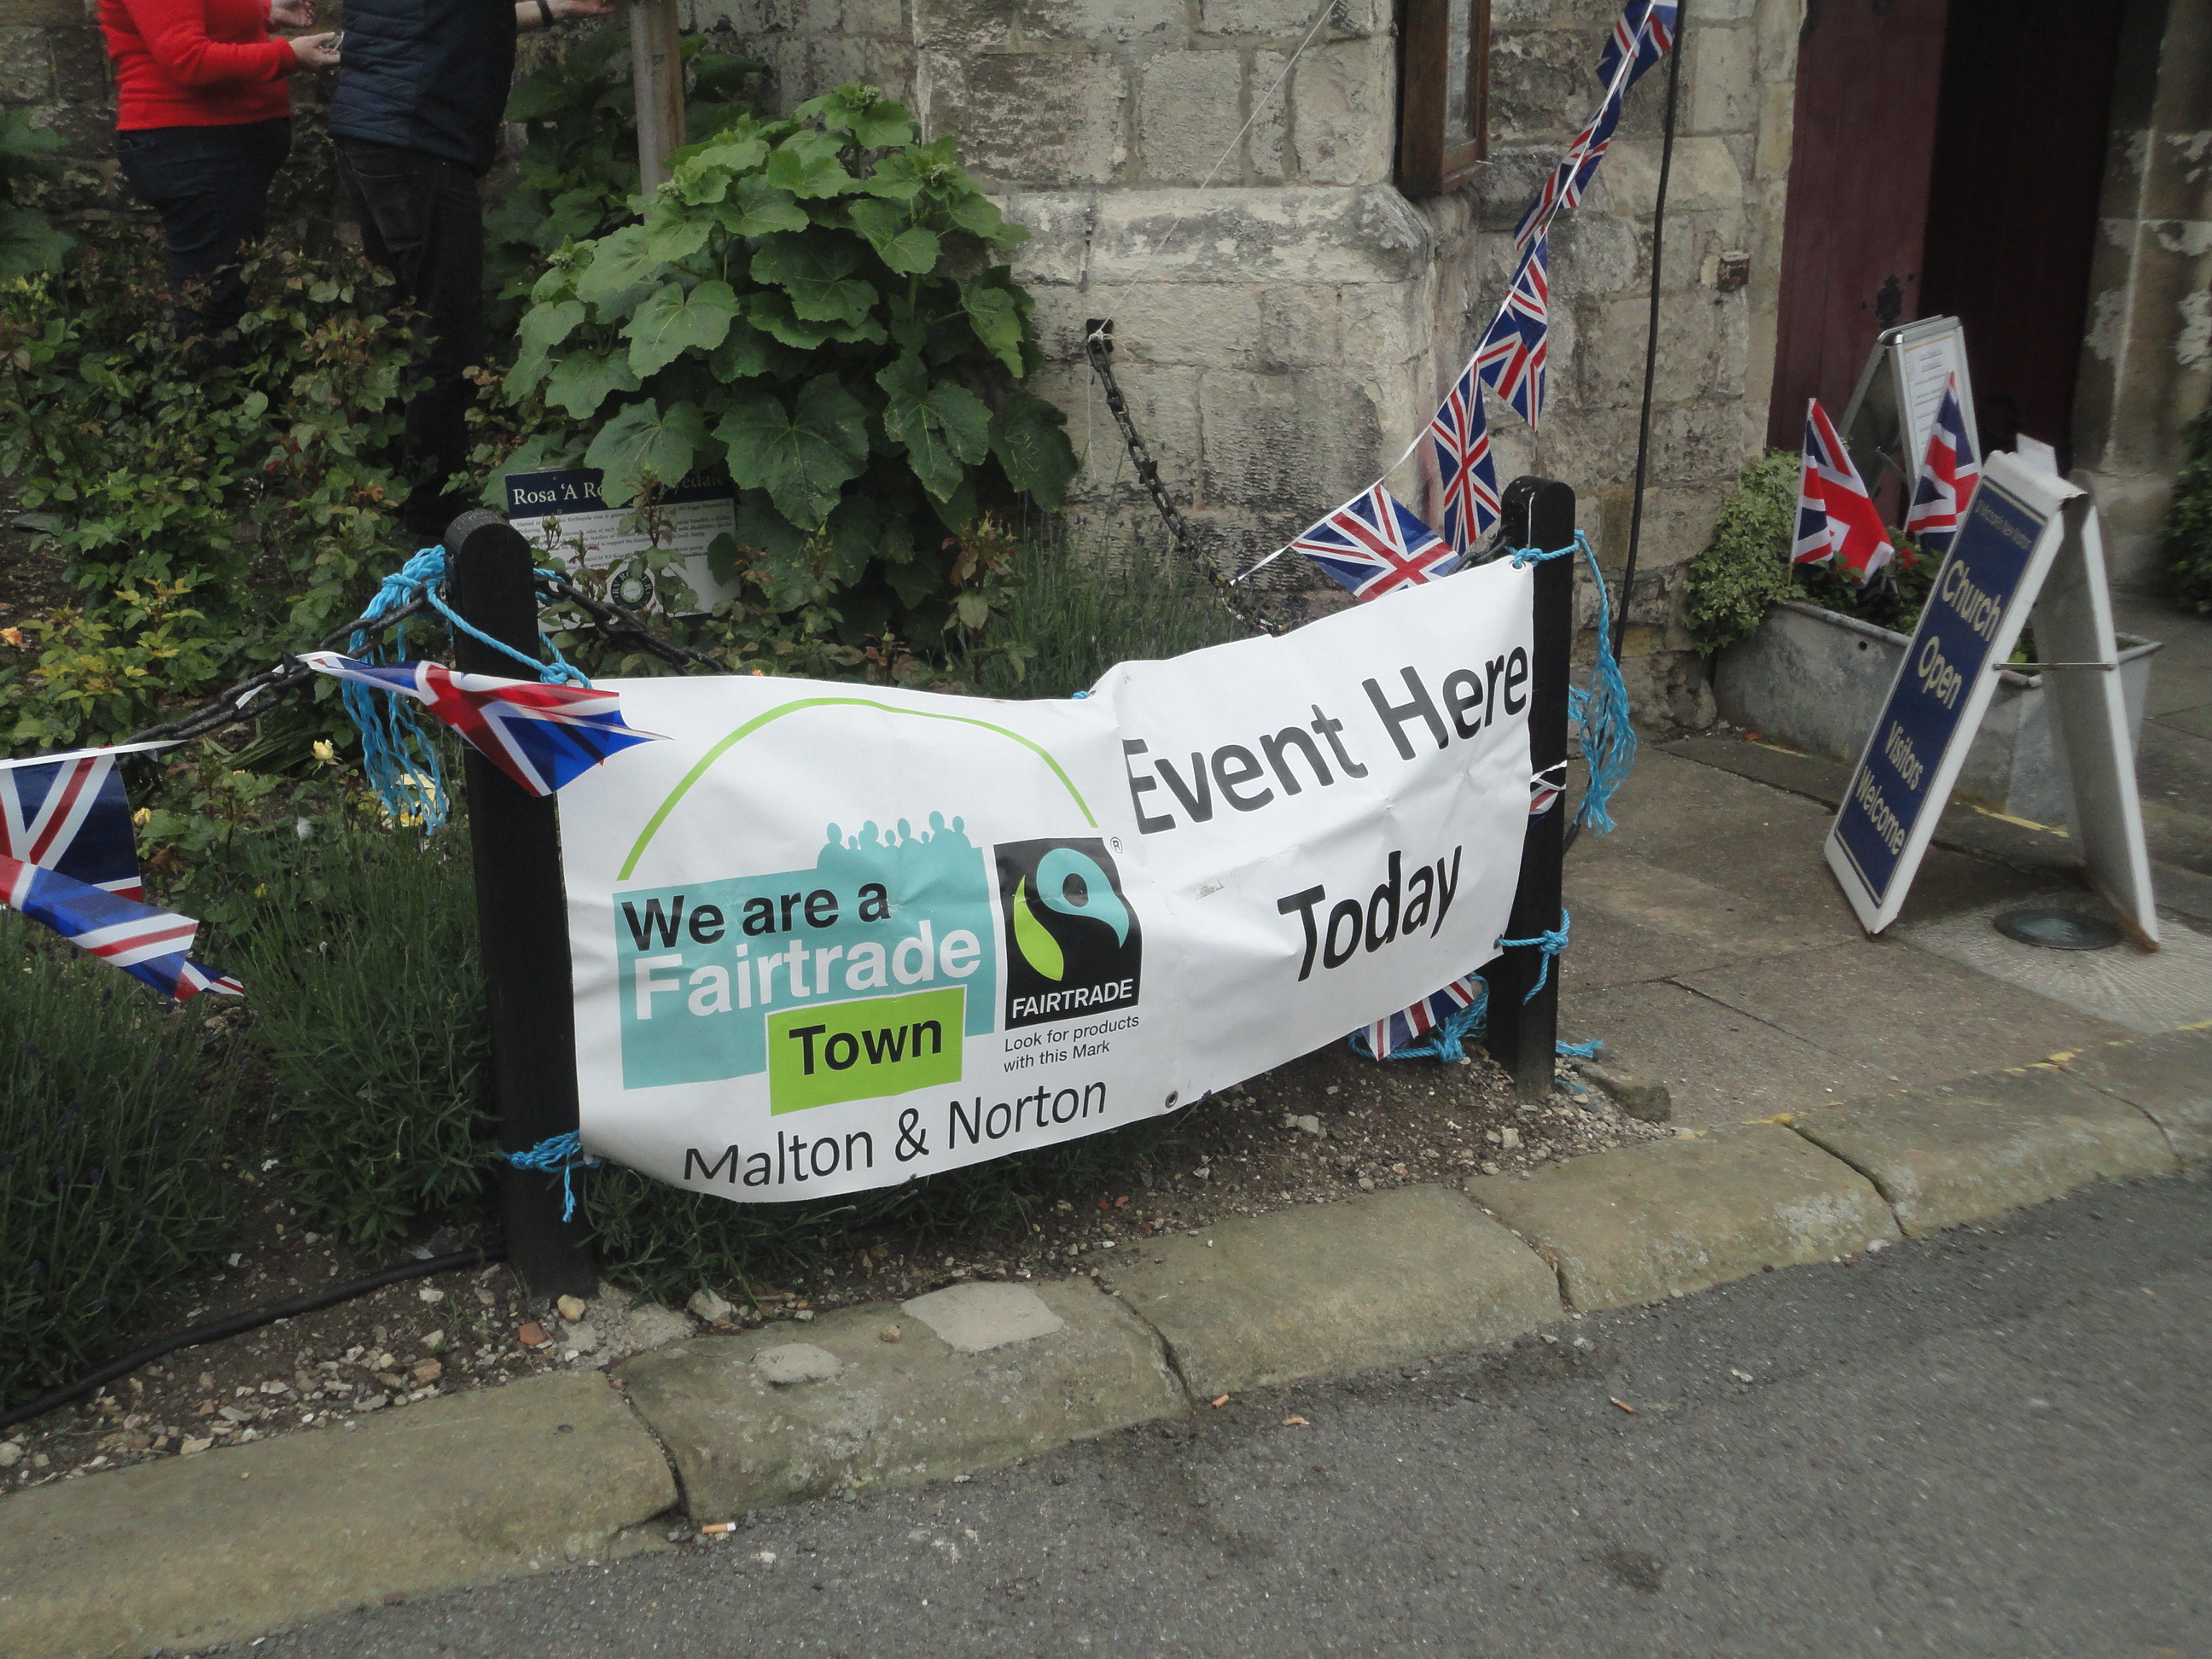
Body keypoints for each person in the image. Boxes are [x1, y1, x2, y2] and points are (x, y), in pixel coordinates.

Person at [329, 0, 615, 544]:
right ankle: (438, 522)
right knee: (444, 334)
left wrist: (556, 8)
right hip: (416, 138)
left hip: (373, 129)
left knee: (403, 322)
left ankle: (387, 493)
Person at [100, 0, 341, 352]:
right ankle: (198, 384)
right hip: (193, 144)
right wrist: (287, 55)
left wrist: (265, 11)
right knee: (212, 312)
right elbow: (189, 59)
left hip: (211, 147)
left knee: (223, 298)